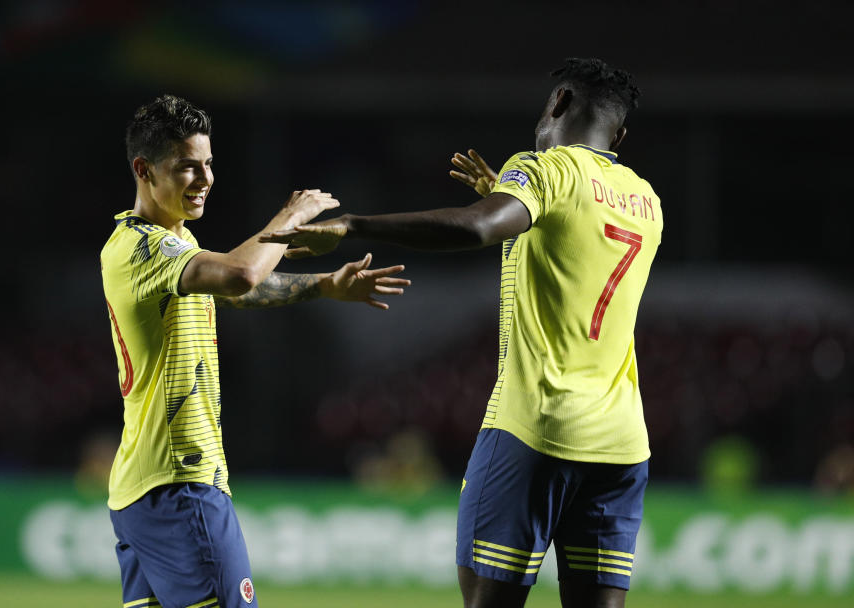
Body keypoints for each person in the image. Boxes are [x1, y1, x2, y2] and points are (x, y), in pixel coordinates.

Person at [264, 58, 661, 608]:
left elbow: (478, 226)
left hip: (536, 426)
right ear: (618, 135)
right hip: (621, 443)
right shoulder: (646, 200)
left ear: (560, 103)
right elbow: (574, 248)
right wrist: (509, 197)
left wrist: (354, 226)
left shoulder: (546, 170)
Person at [100, 94, 410, 608]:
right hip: (180, 481)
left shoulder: (169, 243)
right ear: (144, 170)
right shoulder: (145, 246)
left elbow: (237, 288)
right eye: (186, 167)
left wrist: (323, 285)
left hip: (141, 488)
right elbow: (241, 274)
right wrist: (290, 216)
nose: (204, 179)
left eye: (209, 164)